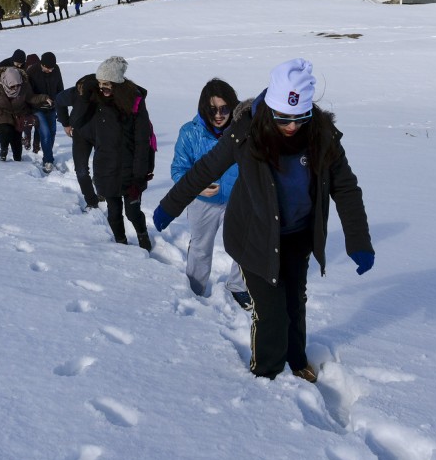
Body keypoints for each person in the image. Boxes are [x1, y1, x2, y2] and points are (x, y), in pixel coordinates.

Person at [153, 59, 374, 383]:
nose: (291, 127)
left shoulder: (321, 136)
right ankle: (266, 377)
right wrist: (169, 207)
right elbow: (204, 169)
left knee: (295, 303)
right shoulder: (246, 133)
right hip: (253, 236)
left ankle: (297, 360)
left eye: (300, 118)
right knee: (271, 314)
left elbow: (345, 188)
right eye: (283, 118)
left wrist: (358, 241)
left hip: (298, 236)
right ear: (271, 108)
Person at [170, 78, 252, 310]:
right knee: (200, 248)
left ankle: (238, 287)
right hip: (203, 203)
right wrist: (197, 187)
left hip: (237, 201)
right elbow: (178, 169)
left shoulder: (244, 131)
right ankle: (195, 287)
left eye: (224, 108)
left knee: (243, 247)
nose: (218, 115)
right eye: (212, 109)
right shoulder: (189, 132)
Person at [80, 56, 155, 250]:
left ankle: (142, 234)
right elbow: (77, 121)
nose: (102, 89)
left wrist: (139, 176)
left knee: (132, 211)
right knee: (113, 213)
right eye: (99, 84)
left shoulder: (135, 103)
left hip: (130, 169)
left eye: (107, 85)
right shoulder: (95, 101)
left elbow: (142, 141)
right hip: (106, 167)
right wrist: (86, 91)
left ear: (117, 84)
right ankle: (120, 242)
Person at [0, 57, 48, 162]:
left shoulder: (24, 85)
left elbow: (30, 97)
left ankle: (17, 159)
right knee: (6, 131)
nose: (16, 88)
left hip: (18, 115)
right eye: (12, 86)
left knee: (16, 140)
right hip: (1, 114)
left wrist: (44, 98)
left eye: (18, 85)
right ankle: (3, 151)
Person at [56, 73, 98, 208]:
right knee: (81, 170)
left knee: (103, 169)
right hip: (81, 134)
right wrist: (66, 123)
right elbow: (59, 100)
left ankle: (102, 191)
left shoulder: (106, 96)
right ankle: (91, 202)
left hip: (102, 136)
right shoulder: (76, 93)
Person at [29, 52, 64, 173]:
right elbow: (28, 95)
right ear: (42, 65)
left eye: (52, 68)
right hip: (37, 108)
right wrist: (43, 98)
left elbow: (60, 88)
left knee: (52, 132)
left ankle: (46, 152)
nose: (50, 70)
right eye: (48, 68)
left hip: (52, 107)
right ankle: (48, 160)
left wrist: (60, 105)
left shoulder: (56, 69)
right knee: (45, 133)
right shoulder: (32, 71)